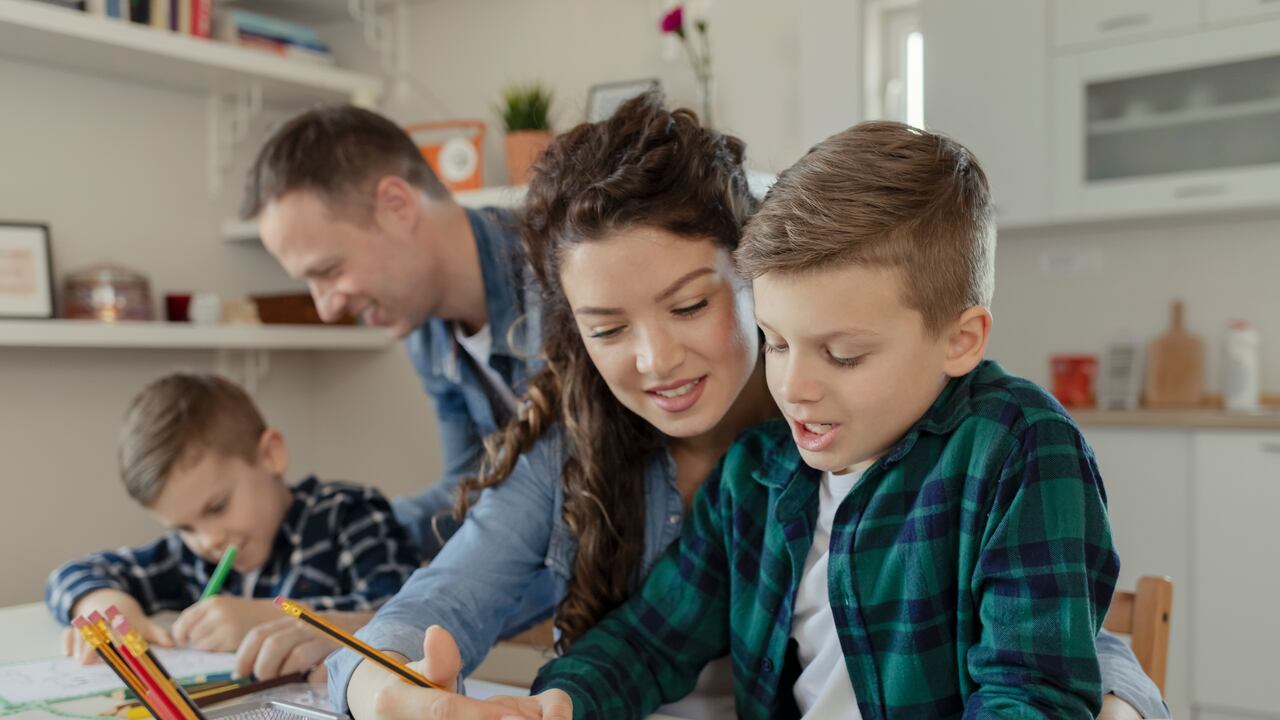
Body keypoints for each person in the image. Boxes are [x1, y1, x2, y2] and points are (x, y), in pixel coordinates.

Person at [326, 94, 1167, 720]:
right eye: (780, 343)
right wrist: (556, 703)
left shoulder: (1008, 444)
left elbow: (1047, 667)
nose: (797, 385)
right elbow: (649, 638)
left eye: (689, 308)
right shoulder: (759, 475)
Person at [242, 105, 543, 559]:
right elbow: (470, 489)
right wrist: (321, 538)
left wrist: (365, 621)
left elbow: (564, 511)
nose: (326, 309)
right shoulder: (426, 330)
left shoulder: (560, 276)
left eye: (329, 270)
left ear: (397, 206)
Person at [46, 372, 418, 680]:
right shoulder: (191, 558)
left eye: (218, 507)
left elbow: (406, 613)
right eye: (185, 528)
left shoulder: (348, 514)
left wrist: (270, 616)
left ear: (271, 455)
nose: (208, 540)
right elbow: (75, 573)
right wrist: (110, 606)